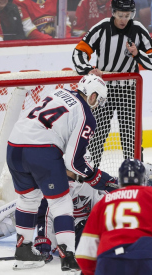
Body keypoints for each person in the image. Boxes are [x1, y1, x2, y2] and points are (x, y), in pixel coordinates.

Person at [7, 75, 117, 271]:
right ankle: (68, 257)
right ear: (92, 95)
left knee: (28, 198)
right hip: (40, 151)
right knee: (60, 202)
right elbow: (74, 162)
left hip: (14, 145)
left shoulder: (60, 92)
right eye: (98, 99)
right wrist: (97, 178)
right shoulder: (86, 116)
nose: (97, 105)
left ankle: (23, 251)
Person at [72, 0, 152, 166]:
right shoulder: (102, 27)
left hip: (129, 91)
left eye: (127, 16)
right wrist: (88, 69)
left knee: (131, 138)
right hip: (103, 91)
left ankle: (134, 176)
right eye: (120, 15)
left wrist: (138, 54)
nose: (123, 19)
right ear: (113, 12)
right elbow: (79, 51)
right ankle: (91, 176)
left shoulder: (138, 30)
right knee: (96, 136)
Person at [75, 159, 152, 275]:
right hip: (143, 259)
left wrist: (90, 272)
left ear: (120, 180)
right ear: (143, 179)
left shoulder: (103, 202)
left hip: (108, 261)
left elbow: (84, 252)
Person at [34, 169, 107, 263]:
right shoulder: (54, 187)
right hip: (62, 238)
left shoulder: (92, 187)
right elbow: (45, 215)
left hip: (77, 236)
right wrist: (43, 239)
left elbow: (101, 211)